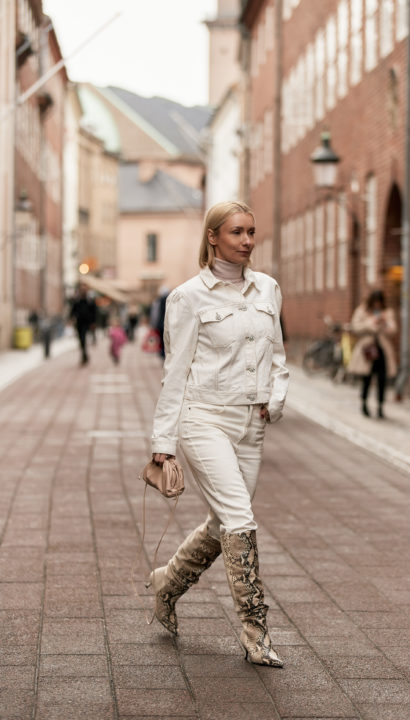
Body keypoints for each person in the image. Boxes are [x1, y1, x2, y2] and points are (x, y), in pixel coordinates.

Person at [148, 201, 289, 667]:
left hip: (252, 423)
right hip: (203, 418)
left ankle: (166, 584)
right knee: (239, 518)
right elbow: (176, 372)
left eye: (252, 231)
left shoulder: (268, 288)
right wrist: (163, 446)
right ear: (213, 237)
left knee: (221, 522)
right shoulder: (188, 297)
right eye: (236, 232)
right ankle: (256, 632)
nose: (247, 240)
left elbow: (278, 355)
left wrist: (276, 394)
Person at [348, 289, 397, 418]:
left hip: (382, 350)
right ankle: (364, 403)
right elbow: (355, 327)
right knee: (366, 378)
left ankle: (380, 407)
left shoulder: (387, 312)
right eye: (375, 302)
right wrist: (371, 323)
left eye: (379, 302)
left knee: (382, 379)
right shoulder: (362, 311)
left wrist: (385, 322)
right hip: (367, 349)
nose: (377, 305)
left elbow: (393, 330)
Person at [69, 284, 97, 365]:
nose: (83, 291)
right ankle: (84, 354)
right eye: (82, 290)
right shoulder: (77, 300)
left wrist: (93, 322)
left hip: (87, 323)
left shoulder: (90, 300)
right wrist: (71, 318)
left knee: (83, 338)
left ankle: (84, 355)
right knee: (81, 339)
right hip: (79, 323)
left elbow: (94, 312)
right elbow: (73, 310)